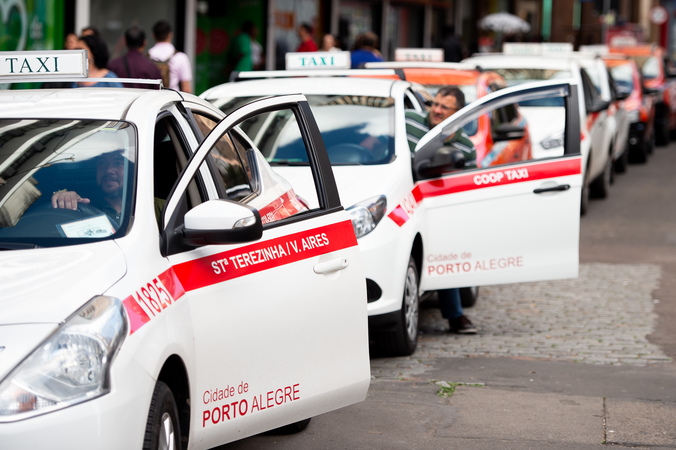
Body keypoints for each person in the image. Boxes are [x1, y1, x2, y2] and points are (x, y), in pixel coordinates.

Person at [404, 86, 478, 334]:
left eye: (444, 107)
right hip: (403, 197)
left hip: (439, 205)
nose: (436, 110)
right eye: (435, 104)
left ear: (458, 113)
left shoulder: (466, 147)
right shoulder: (408, 121)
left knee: (445, 255)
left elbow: (468, 184)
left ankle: (455, 316)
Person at [51, 150, 128, 228]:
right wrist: (66, 198)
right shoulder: (84, 205)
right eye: (102, 163)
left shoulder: (139, 207)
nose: (108, 170)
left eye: (118, 163)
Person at [148, 20, 193, 93]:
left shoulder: (147, 57)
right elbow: (186, 89)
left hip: (152, 101)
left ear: (153, 35)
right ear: (170, 35)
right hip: (173, 100)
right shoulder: (181, 57)